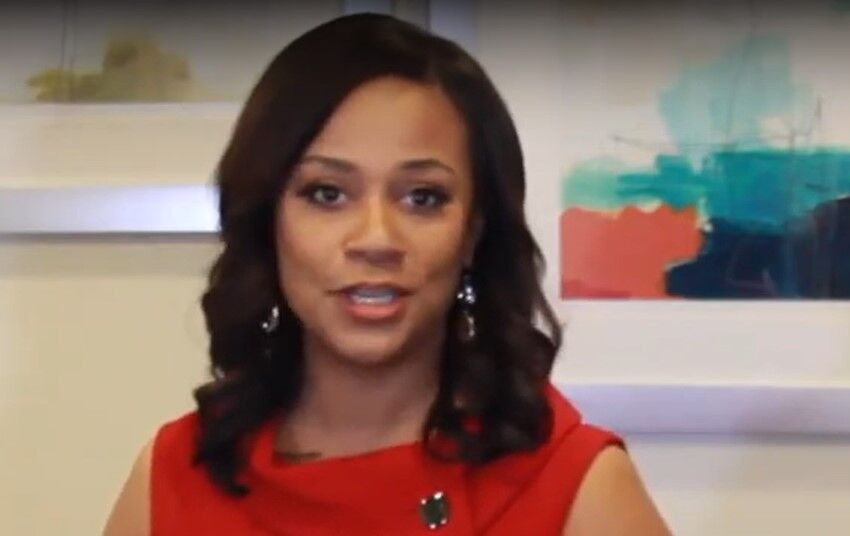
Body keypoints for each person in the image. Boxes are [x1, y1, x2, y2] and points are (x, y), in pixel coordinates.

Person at [103, 13, 669, 536]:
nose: (376, 239)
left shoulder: (577, 489)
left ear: (473, 232)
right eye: (327, 193)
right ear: (267, 220)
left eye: (423, 197)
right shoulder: (172, 476)